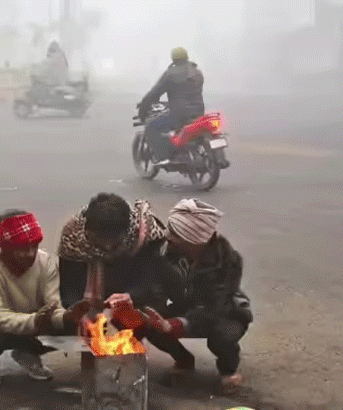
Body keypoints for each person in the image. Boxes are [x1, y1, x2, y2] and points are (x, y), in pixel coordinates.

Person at [57, 193, 192, 367]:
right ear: (89, 231)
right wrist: (80, 313)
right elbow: (68, 285)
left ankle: (182, 357)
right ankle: (91, 361)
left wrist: (131, 297)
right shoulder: (73, 237)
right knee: (81, 321)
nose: (107, 247)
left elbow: (151, 278)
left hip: (135, 285)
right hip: (92, 287)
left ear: (125, 232)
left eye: (114, 241)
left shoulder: (144, 234)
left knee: (143, 319)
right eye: (101, 240)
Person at [0, 209, 90, 390]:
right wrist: (34, 321)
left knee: (72, 327)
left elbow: (53, 304)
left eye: (34, 247)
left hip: (36, 317)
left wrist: (65, 317)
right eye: (22, 250)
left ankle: (26, 353)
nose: (30, 254)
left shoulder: (45, 262)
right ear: (6, 249)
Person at [141, 198, 254, 395]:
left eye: (175, 234)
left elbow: (216, 307)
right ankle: (183, 360)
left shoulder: (228, 260)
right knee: (148, 324)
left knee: (222, 335)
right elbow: (154, 289)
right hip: (186, 305)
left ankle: (228, 371)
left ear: (195, 240)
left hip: (226, 311)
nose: (168, 237)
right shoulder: (163, 254)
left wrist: (175, 325)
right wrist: (152, 313)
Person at [138, 47, 205, 166]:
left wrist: (143, 108)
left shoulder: (171, 74)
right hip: (198, 111)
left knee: (152, 125)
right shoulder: (197, 72)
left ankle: (163, 156)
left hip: (180, 113)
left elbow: (155, 92)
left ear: (173, 58)